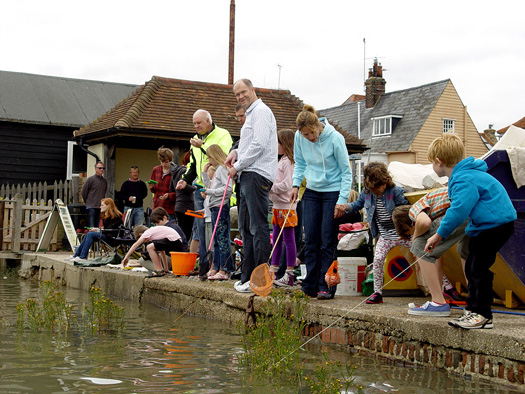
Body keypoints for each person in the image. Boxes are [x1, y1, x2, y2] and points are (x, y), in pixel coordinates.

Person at [424, 133, 516, 329]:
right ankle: (474, 309)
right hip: (488, 225)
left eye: (432, 162)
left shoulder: (463, 179)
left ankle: (482, 314)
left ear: (439, 162)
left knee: (478, 269)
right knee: (472, 265)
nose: (433, 166)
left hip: (495, 225)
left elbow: (459, 210)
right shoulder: (467, 175)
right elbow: (475, 207)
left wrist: (439, 235)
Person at [290, 104, 352, 300]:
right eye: (306, 134)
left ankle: (326, 286)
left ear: (318, 125)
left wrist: (342, 201)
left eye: (312, 133)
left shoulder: (335, 138)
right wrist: (294, 185)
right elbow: (300, 163)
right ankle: (310, 284)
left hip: (332, 192)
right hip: (312, 192)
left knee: (327, 241)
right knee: (311, 240)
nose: (310, 137)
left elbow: (346, 172)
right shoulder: (299, 137)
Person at [225, 78, 278, 293]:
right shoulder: (251, 115)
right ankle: (247, 276)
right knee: (247, 229)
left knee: (257, 228)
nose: (240, 96)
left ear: (252, 90)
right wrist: (235, 152)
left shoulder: (262, 111)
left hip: (257, 174)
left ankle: (260, 279)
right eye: (237, 94)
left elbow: (260, 144)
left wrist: (237, 165)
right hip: (248, 174)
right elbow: (250, 143)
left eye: (243, 92)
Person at [392, 187, 469, 317]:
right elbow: (436, 257)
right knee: (465, 251)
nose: (411, 235)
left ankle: (438, 303)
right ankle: (475, 302)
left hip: (460, 208)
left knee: (420, 245)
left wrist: (415, 237)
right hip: (476, 209)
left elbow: (424, 223)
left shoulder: (414, 210)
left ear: (407, 226)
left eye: (408, 234)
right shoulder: (433, 209)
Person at [344, 162, 409, 304]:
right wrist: (344, 207)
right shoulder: (366, 193)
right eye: (376, 187)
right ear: (369, 185)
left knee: (423, 257)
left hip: (402, 234)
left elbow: (405, 210)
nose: (380, 189)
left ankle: (445, 287)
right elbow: (357, 205)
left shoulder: (395, 191)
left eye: (382, 185)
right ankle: (377, 293)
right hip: (385, 236)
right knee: (378, 260)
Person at [176, 110, 232, 272]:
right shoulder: (195, 140)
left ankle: (222, 266)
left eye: (199, 123)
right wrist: (185, 180)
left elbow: (224, 156)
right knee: (200, 230)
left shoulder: (223, 134)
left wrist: (203, 146)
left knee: (218, 232)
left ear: (208, 121)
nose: (196, 126)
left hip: (219, 191)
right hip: (201, 189)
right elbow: (193, 165)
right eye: (194, 123)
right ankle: (204, 267)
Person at [269, 129, 298, 287]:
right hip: (277, 206)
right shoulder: (282, 160)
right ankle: (273, 271)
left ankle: (290, 274)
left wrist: (269, 188)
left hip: (287, 207)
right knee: (276, 240)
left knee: (288, 240)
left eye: (278, 143)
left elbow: (287, 185)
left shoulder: (288, 162)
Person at [201, 144, 234, 280]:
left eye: (209, 156)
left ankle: (225, 268)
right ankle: (216, 266)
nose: (209, 160)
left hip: (221, 206)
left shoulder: (222, 169)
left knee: (222, 238)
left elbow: (229, 189)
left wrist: (209, 192)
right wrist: (204, 173)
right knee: (216, 239)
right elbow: (210, 186)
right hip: (214, 207)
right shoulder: (217, 171)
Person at [66, 198, 121, 262]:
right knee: (88, 234)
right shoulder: (106, 215)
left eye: (102, 205)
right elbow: (107, 228)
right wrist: (97, 229)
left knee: (90, 234)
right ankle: (76, 255)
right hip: (107, 234)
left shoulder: (115, 216)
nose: (100, 207)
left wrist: (99, 230)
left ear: (108, 206)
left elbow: (112, 229)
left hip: (112, 237)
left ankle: (83, 256)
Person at [169, 151, 195, 241]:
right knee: (186, 232)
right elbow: (184, 187)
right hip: (187, 205)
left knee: (181, 231)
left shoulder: (175, 172)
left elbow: (172, 188)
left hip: (179, 204)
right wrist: (196, 188)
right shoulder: (185, 171)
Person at [149, 147, 177, 220]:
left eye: (166, 162)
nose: (164, 164)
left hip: (169, 209)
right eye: (162, 162)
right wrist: (151, 187)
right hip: (157, 207)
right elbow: (153, 190)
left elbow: (179, 192)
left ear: (170, 160)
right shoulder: (156, 170)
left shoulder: (175, 172)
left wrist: (169, 196)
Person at [81, 161, 107, 228]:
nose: (102, 169)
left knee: (98, 227)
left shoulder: (104, 181)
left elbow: (104, 192)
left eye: (103, 168)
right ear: (95, 169)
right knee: (91, 226)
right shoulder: (90, 179)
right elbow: (84, 192)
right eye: (100, 168)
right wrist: (88, 202)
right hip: (91, 206)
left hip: (100, 207)